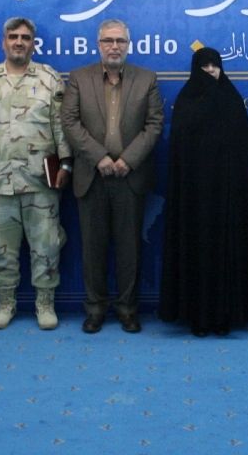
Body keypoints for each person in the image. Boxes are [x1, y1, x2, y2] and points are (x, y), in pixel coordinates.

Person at [0, 17, 71, 331]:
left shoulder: (49, 79)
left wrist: (67, 164)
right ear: (3, 42)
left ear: (33, 44)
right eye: (13, 37)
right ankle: (5, 302)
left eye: (25, 37)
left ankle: (45, 303)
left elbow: (61, 126)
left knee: (46, 246)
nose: (19, 42)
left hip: (40, 180)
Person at [61, 19, 164, 335]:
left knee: (129, 250)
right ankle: (95, 310)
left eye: (120, 41)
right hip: (91, 177)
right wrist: (100, 158)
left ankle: (127, 310)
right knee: (92, 250)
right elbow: (70, 121)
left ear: (128, 45)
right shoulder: (79, 78)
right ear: (99, 44)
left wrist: (127, 161)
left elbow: (154, 125)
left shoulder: (146, 79)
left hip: (129, 178)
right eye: (108, 41)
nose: (114, 46)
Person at [159, 47, 248, 337]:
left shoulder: (232, 100)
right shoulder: (186, 101)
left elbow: (243, 152)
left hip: (228, 199)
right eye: (204, 67)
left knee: (227, 250)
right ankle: (196, 315)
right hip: (194, 200)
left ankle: (227, 314)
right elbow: (180, 155)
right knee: (197, 250)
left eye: (215, 66)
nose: (210, 71)